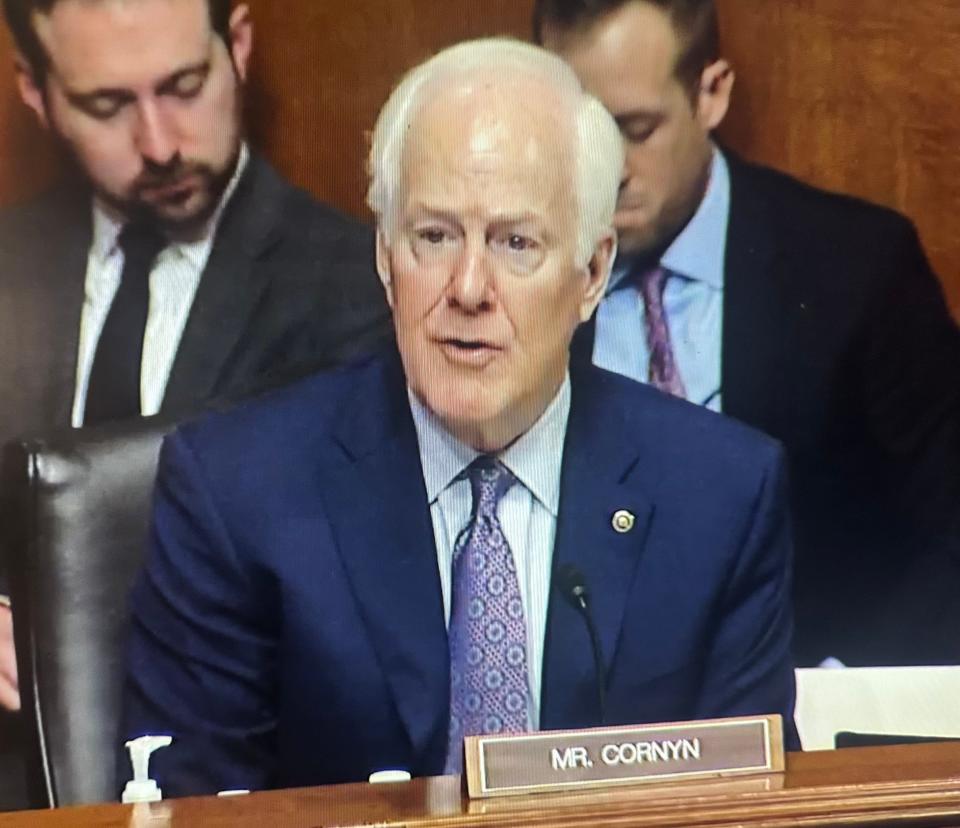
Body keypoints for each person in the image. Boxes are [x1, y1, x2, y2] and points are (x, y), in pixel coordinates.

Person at [120, 38, 798, 798]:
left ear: (593, 272)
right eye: (434, 237)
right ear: (384, 254)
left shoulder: (719, 496)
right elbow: (195, 809)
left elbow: (754, 803)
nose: (468, 287)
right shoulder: (236, 493)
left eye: (516, 243)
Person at [534, 0, 960, 667]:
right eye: (581, 135)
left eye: (636, 129)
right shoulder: (515, 282)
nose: (607, 169)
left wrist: (842, 701)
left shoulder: (858, 268)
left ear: (711, 93)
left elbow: (947, 534)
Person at [0, 0, 392, 714]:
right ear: (35, 91)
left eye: (184, 87)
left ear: (236, 45)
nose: (159, 144)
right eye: (106, 104)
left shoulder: (357, 287)